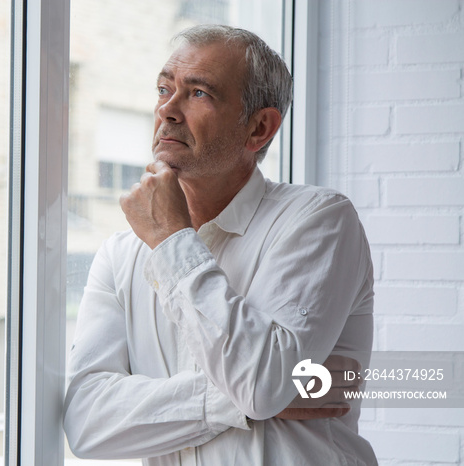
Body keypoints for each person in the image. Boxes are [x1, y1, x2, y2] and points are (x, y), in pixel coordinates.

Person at [64, 24, 377, 465]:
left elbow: (263, 384)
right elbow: (86, 422)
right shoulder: (120, 254)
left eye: (198, 93)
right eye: (164, 89)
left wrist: (171, 239)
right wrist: (241, 404)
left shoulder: (319, 220)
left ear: (259, 128)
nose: (167, 111)